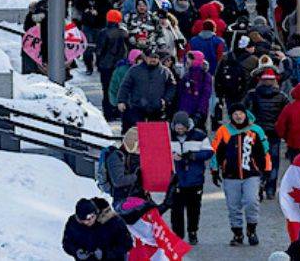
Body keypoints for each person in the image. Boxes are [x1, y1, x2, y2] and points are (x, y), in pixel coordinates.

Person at [211, 102, 272, 246]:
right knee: (233, 205)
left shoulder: (256, 130)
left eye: (241, 113)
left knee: (252, 201)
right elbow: (215, 151)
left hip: (251, 174)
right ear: (231, 116)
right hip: (230, 175)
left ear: (245, 114)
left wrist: (267, 170)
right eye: (235, 114)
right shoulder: (223, 131)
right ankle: (237, 234)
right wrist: (214, 170)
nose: (238, 116)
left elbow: (265, 151)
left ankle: (252, 230)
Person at [245, 68, 291, 200]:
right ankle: (271, 189)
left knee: (256, 160)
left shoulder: (252, 95)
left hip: (256, 133)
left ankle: (258, 184)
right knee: (274, 162)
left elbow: (245, 111)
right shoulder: (282, 96)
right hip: (274, 133)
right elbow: (287, 116)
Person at [169, 111, 213, 244]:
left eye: (182, 128)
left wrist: (193, 156)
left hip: (195, 179)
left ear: (188, 126)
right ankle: (178, 235)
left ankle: (192, 232)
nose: (180, 131)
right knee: (176, 210)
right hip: (176, 180)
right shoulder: (168, 136)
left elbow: (209, 152)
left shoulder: (199, 136)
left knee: (194, 209)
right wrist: (171, 156)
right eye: (177, 128)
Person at [116, 48, 176, 131]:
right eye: (150, 57)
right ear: (145, 57)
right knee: (137, 133)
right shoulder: (134, 70)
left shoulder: (165, 71)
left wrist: (166, 99)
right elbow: (125, 86)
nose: (153, 60)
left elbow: (172, 86)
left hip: (157, 109)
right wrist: (121, 101)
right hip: (138, 107)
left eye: (155, 57)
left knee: (155, 134)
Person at [62, 198, 133, 261]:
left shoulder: (112, 221)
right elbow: (67, 243)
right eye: (83, 221)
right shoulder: (73, 223)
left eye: (91, 218)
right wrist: (76, 251)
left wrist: (105, 254)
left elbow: (127, 243)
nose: (87, 222)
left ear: (96, 212)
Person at [94, 10, 129, 120]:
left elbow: (99, 50)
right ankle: (118, 111)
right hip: (121, 65)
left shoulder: (104, 32)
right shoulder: (124, 32)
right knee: (119, 88)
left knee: (107, 89)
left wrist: (98, 62)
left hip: (106, 65)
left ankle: (108, 113)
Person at [103, 127, 143, 208]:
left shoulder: (133, 156)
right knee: (147, 208)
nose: (140, 149)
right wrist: (136, 177)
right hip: (122, 201)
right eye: (138, 146)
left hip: (135, 195)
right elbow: (118, 181)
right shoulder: (115, 157)